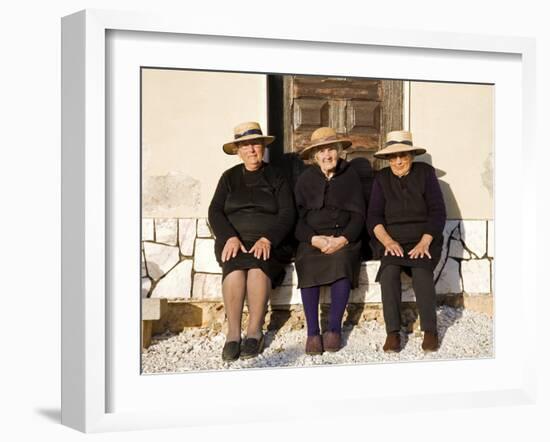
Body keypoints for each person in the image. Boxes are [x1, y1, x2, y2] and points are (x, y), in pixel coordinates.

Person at [208, 122, 295, 361]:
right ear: (238, 150)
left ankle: (255, 332)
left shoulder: (277, 176)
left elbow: (288, 212)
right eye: (245, 145)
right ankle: (233, 334)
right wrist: (229, 237)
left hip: (270, 242)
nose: (251, 150)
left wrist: (268, 238)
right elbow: (215, 211)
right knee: (235, 270)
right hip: (234, 240)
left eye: (255, 144)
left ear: (263, 146)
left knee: (258, 267)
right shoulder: (229, 177)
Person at [366, 130, 446, 353]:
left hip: (424, 238)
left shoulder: (425, 173)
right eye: (394, 156)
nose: (399, 161)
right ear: (388, 159)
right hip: (394, 241)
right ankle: (393, 332)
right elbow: (373, 216)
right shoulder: (381, 179)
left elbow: (438, 212)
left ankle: (430, 329)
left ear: (411, 156)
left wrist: (425, 242)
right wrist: (388, 242)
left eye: (403, 155)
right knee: (389, 272)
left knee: (421, 272)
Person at [294, 127, 366, 355]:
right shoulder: (306, 179)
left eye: (331, 150)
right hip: (314, 239)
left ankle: (334, 329)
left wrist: (343, 240)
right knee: (305, 260)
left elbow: (359, 215)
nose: (327, 155)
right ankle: (313, 332)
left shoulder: (350, 175)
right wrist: (314, 239)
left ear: (338, 151)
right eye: (322, 151)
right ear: (315, 156)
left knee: (342, 261)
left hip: (344, 237)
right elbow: (297, 218)